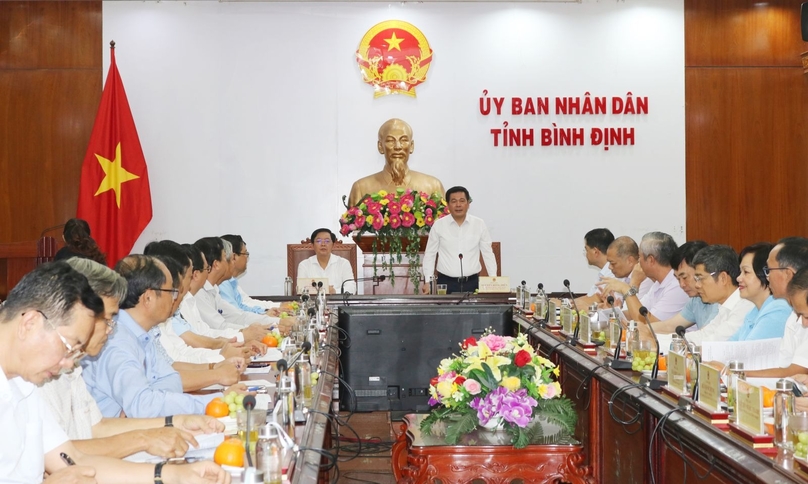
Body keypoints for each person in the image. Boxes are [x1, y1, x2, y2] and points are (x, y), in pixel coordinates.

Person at [0, 261, 229, 483]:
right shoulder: (33, 374)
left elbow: (73, 458)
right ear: (30, 323)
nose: (69, 363)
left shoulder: (24, 380)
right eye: (69, 346)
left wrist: (172, 476)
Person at [81, 255, 246, 418]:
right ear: (148, 297)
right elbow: (144, 406)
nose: (175, 299)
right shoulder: (116, 341)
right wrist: (213, 401)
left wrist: (152, 396)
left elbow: (171, 379)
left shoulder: (143, 333)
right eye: (171, 292)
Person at [745, 238, 808, 378]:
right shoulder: (793, 315)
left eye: (769, 270)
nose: (767, 277)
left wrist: (739, 374)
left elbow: (795, 372)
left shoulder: (784, 309)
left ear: (788, 274)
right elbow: (782, 365)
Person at [347, 118, 445, 207]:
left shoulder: (432, 186)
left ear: (411, 146)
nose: (398, 147)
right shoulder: (361, 188)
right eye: (390, 141)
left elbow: (444, 224)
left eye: (404, 140)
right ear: (380, 146)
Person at [421, 186, 496, 294]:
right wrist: (428, 281)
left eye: (462, 201)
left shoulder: (479, 224)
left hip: (473, 282)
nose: (458, 205)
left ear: (468, 204)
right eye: (454, 201)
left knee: (474, 311)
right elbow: (430, 254)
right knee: (445, 311)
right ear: (448, 205)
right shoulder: (439, 225)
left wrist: (493, 280)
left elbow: (487, 253)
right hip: (445, 283)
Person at [599, 232, 689, 322]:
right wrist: (611, 312)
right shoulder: (658, 283)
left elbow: (649, 323)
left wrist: (626, 289)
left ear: (650, 260)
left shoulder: (677, 285)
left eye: (639, 256)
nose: (638, 261)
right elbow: (636, 313)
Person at [678, 245, 754, 345]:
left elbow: (714, 342)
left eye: (700, 278)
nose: (697, 285)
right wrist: (660, 340)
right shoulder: (724, 306)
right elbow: (703, 334)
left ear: (723, 278)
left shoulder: (745, 306)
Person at [645, 240, 718, 336]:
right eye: (678, 279)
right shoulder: (695, 300)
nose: (682, 285)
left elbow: (705, 336)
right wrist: (642, 328)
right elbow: (669, 326)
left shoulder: (719, 300)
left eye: (684, 277)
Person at [728, 242, 792, 341]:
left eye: (746, 272)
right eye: (740, 272)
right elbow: (729, 346)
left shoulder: (779, 308)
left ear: (766, 274)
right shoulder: (754, 311)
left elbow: (748, 352)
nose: (738, 278)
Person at [297, 228, 356, 294]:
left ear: (333, 245)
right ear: (312, 246)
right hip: (312, 303)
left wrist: (334, 291)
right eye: (318, 241)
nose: (323, 244)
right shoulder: (304, 265)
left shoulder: (343, 263)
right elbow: (301, 289)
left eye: (327, 241)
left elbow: (351, 288)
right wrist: (325, 290)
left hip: (337, 303)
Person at [574, 228, 615, 307]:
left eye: (586, 250)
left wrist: (564, 304)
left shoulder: (612, 272)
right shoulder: (602, 273)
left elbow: (596, 299)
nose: (585, 254)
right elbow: (589, 297)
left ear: (595, 252)